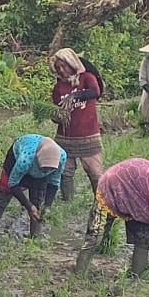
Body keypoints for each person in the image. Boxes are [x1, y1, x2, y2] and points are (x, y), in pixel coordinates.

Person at [0, 135, 66, 239]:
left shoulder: (61, 157)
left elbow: (54, 183)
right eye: (45, 169)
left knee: (38, 204)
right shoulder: (25, 158)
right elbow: (12, 183)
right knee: (2, 198)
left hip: (38, 175)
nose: (47, 171)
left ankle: (35, 238)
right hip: (16, 162)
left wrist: (47, 206)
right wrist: (28, 206)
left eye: (50, 169)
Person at [50, 48, 103, 200]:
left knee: (95, 172)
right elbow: (56, 108)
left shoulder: (87, 78)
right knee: (65, 172)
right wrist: (57, 116)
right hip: (65, 136)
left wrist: (75, 96)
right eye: (58, 67)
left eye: (64, 65)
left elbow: (95, 92)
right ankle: (68, 201)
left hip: (88, 134)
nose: (62, 69)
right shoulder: (58, 87)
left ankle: (101, 202)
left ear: (71, 63)